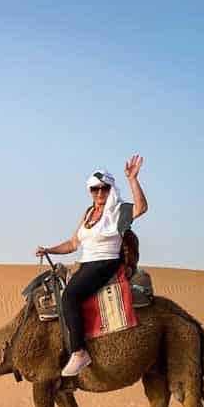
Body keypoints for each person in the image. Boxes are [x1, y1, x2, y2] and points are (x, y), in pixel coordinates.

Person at [35, 155, 148, 377]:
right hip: (85, 263)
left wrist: (132, 179)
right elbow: (73, 244)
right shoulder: (88, 214)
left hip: (105, 262)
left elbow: (142, 208)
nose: (99, 193)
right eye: (94, 189)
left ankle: (79, 352)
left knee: (70, 296)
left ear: (110, 189)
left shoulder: (117, 211)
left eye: (104, 189)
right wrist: (49, 250)